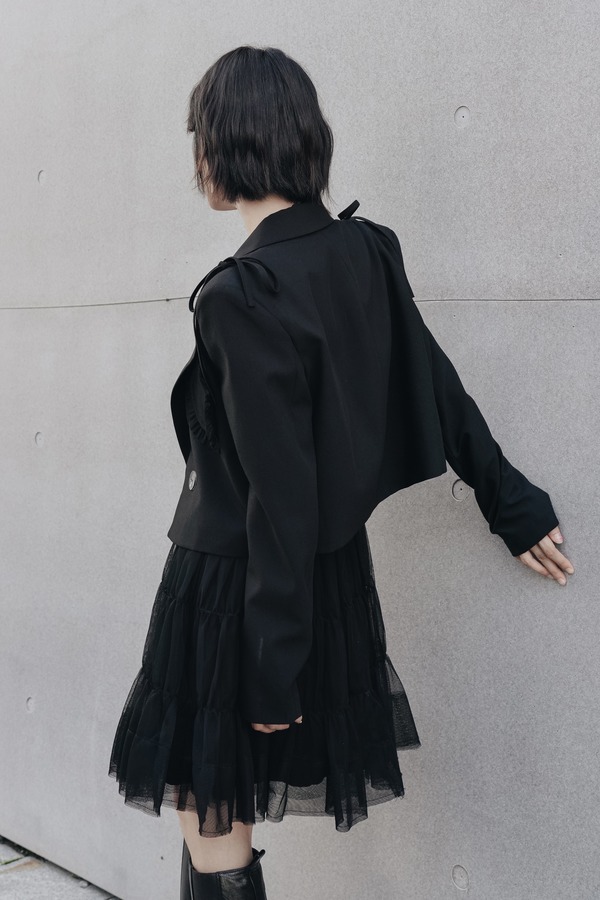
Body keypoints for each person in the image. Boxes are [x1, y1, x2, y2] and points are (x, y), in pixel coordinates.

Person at [107, 45, 575, 900]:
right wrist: (511, 500)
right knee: (212, 804)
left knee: (209, 805)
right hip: (319, 579)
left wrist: (272, 663)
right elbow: (434, 383)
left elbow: (280, 497)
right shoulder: (365, 249)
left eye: (200, 138)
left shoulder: (242, 294)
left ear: (230, 143)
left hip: (238, 589)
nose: (197, 159)